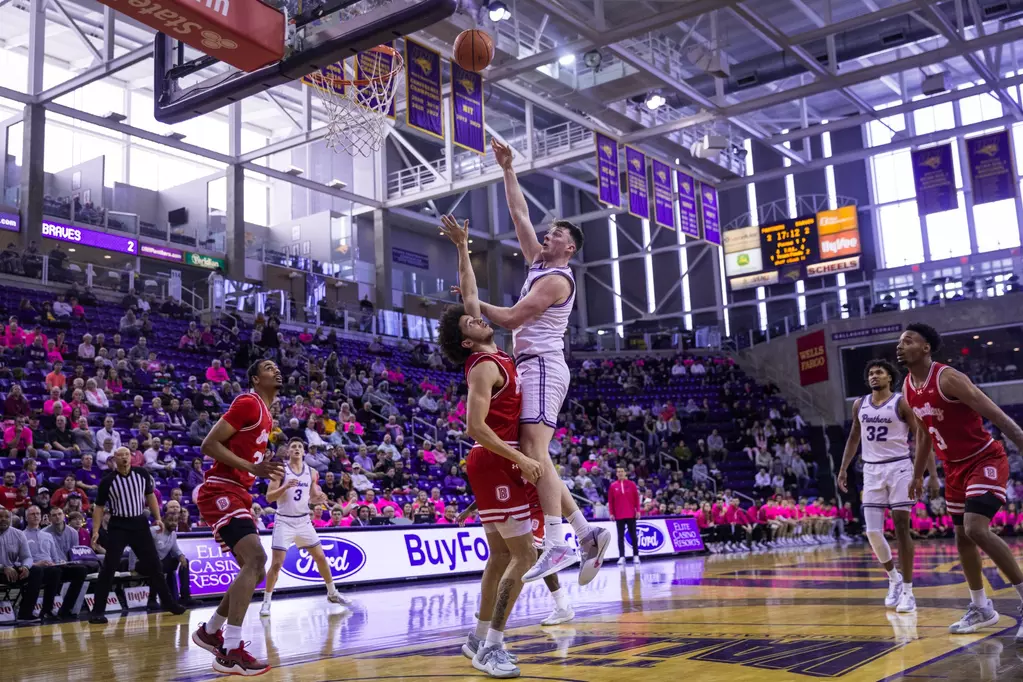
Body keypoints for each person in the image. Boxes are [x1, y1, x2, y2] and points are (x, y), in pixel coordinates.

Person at [448, 169, 610, 585]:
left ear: (568, 246)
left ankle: (557, 542)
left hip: (541, 363)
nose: (545, 236)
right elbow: (518, 212)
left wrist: (473, 304)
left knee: (533, 450)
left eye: (554, 234)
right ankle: (585, 532)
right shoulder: (540, 263)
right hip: (531, 364)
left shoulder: (556, 278)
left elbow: (514, 317)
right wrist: (507, 168)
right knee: (536, 453)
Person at [437, 214, 542, 678]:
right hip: (494, 461)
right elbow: (474, 427)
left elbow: (468, 289)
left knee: (501, 556)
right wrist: (520, 457)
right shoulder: (482, 367)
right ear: (467, 339)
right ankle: (493, 647)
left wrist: (463, 246)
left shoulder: (495, 353)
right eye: (470, 319)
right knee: (525, 557)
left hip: (492, 465)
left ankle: (479, 637)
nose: (478, 314)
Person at [900, 323, 1023, 638]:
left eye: (908, 340)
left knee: (975, 528)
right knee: (962, 538)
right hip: (952, 467)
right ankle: (981, 608)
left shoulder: (948, 378)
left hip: (984, 458)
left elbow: (993, 412)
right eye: (899, 342)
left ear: (926, 348)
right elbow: (925, 432)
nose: (900, 346)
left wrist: (1020, 438)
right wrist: (919, 475)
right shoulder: (907, 386)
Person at [191, 359, 285, 675]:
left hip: (237, 492)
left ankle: (211, 629)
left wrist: (258, 465)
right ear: (256, 378)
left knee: (255, 569)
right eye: (269, 367)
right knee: (257, 560)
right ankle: (230, 651)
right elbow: (209, 444)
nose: (277, 370)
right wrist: (252, 468)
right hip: (220, 489)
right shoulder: (248, 402)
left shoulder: (267, 414)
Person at [837, 358, 936, 614]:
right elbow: (853, 438)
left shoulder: (901, 402)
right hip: (871, 470)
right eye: (871, 373)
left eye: (879, 372)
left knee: (902, 528)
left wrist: (931, 474)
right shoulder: (859, 404)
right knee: (871, 531)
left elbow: (922, 437)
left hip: (899, 467)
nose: (874, 376)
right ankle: (893, 578)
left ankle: (908, 591)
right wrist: (843, 468)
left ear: (889, 377)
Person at [89, 447, 186, 624]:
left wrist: (157, 518)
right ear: (114, 459)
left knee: (155, 565)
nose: (124, 458)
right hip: (118, 525)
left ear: (131, 457)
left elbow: (150, 497)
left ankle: (168, 603)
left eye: (127, 455)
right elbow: (99, 508)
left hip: (139, 524)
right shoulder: (107, 481)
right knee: (109, 567)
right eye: (120, 455)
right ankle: (97, 611)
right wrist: (95, 530)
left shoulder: (141, 473)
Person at [261, 438, 351, 617]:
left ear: (304, 452)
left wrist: (319, 497)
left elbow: (313, 495)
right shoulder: (280, 470)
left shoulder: (312, 472)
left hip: (303, 521)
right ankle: (266, 602)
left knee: (321, 557)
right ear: (288, 451)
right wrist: (285, 487)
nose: (296, 449)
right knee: (277, 563)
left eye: (299, 447)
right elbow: (269, 498)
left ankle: (332, 593)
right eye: (293, 446)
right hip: (284, 521)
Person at [23, 505, 89, 622]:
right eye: (32, 514)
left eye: (38, 513)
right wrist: (37, 563)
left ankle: (65, 610)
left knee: (81, 570)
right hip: (35, 569)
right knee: (55, 571)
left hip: (51, 567)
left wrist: (59, 562)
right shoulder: (22, 535)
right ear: (26, 517)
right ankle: (47, 610)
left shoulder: (47, 535)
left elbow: (55, 557)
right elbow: (22, 558)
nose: (36, 516)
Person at [144, 500, 196, 609]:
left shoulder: (173, 534)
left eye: (175, 521)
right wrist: (132, 566)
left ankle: (185, 596)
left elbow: (175, 550)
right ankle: (152, 599)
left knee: (184, 561)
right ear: (164, 519)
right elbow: (138, 546)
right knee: (157, 565)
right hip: (147, 562)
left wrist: (181, 556)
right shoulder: (154, 530)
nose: (173, 523)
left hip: (161, 561)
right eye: (170, 521)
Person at [608, 466, 641, 566]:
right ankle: (622, 557)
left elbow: (636, 499)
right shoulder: (613, 486)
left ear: (625, 473)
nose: (620, 473)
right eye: (618, 472)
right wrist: (611, 513)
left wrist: (638, 511)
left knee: (633, 536)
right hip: (619, 515)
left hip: (631, 514)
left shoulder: (631, 484)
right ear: (616, 474)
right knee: (620, 537)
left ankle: (636, 555)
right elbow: (611, 501)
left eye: (622, 471)